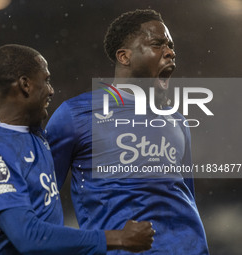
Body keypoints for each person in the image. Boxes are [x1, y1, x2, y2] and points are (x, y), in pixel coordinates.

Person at [0, 44, 154, 255]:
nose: (52, 90)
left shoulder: (29, 128)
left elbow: (22, 217)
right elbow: (28, 237)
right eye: (46, 80)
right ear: (25, 85)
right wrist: (117, 238)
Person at [46, 9, 210, 254]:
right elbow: (42, 197)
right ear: (124, 56)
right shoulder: (75, 114)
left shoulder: (177, 121)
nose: (170, 52)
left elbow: (185, 197)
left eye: (171, 46)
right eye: (158, 44)